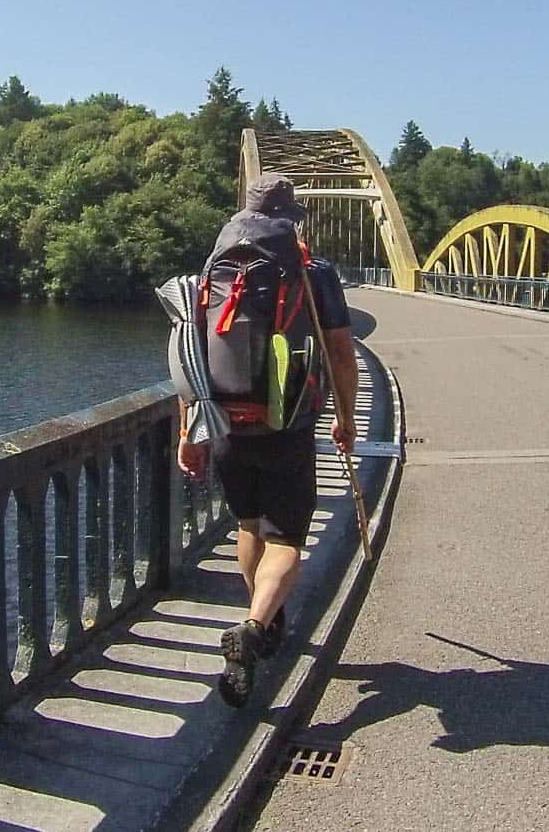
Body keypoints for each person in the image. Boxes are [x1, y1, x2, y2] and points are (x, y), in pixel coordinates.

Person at [176, 173, 357, 708]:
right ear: (291, 218)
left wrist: (189, 430)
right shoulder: (311, 270)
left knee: (248, 524)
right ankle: (255, 628)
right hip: (287, 421)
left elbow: (188, 357)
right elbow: (342, 354)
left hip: (228, 421)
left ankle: (266, 619)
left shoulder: (214, 270)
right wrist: (343, 417)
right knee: (287, 539)